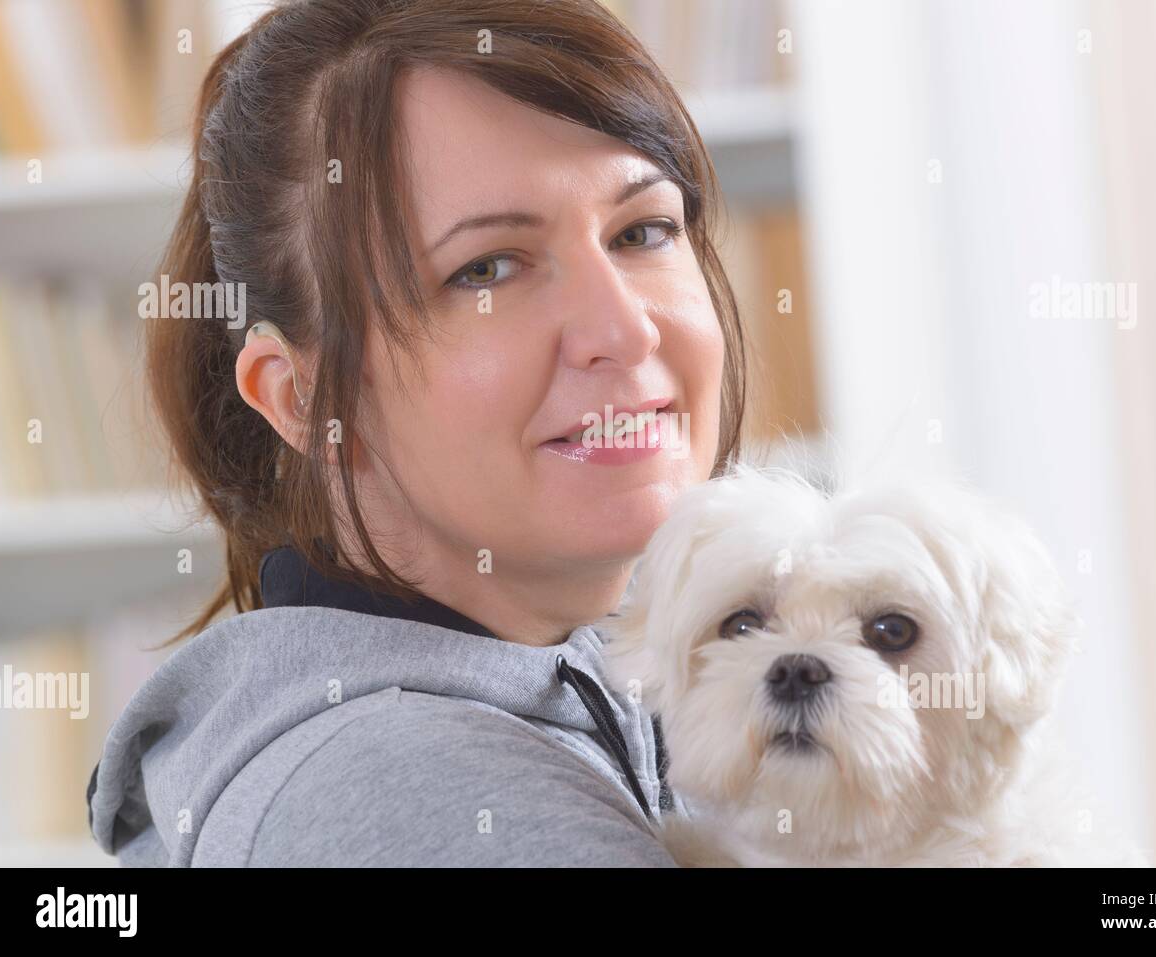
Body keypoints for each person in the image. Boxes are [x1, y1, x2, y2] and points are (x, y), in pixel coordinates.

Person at [87, 0, 747, 866]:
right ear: (300, 400)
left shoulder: (654, 693)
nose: (624, 329)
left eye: (643, 230)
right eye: (486, 268)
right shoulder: (431, 801)